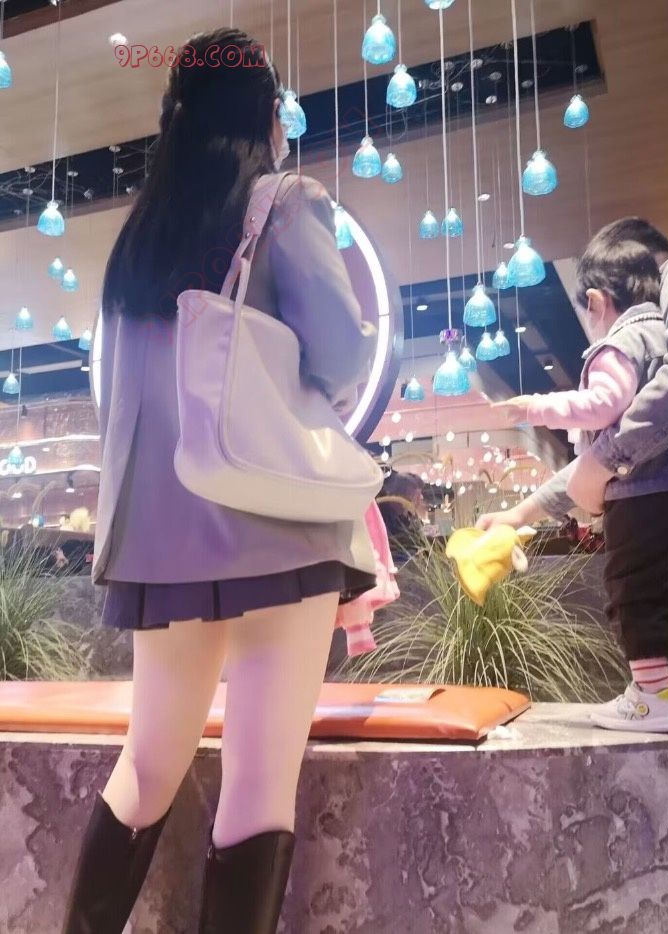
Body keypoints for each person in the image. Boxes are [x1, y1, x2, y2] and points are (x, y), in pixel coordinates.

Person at [62, 29, 379, 934]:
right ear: (269, 116)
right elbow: (342, 353)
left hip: (161, 547)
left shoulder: (138, 240)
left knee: (146, 766)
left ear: (175, 117)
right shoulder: (283, 204)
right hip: (275, 531)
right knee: (258, 784)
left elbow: (122, 410)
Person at [480, 231, 668, 732]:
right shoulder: (664, 337)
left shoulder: (619, 343)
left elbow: (603, 407)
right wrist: (522, 512)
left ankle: (650, 698)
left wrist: (536, 406)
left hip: (639, 498)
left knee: (634, 595)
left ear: (597, 301)